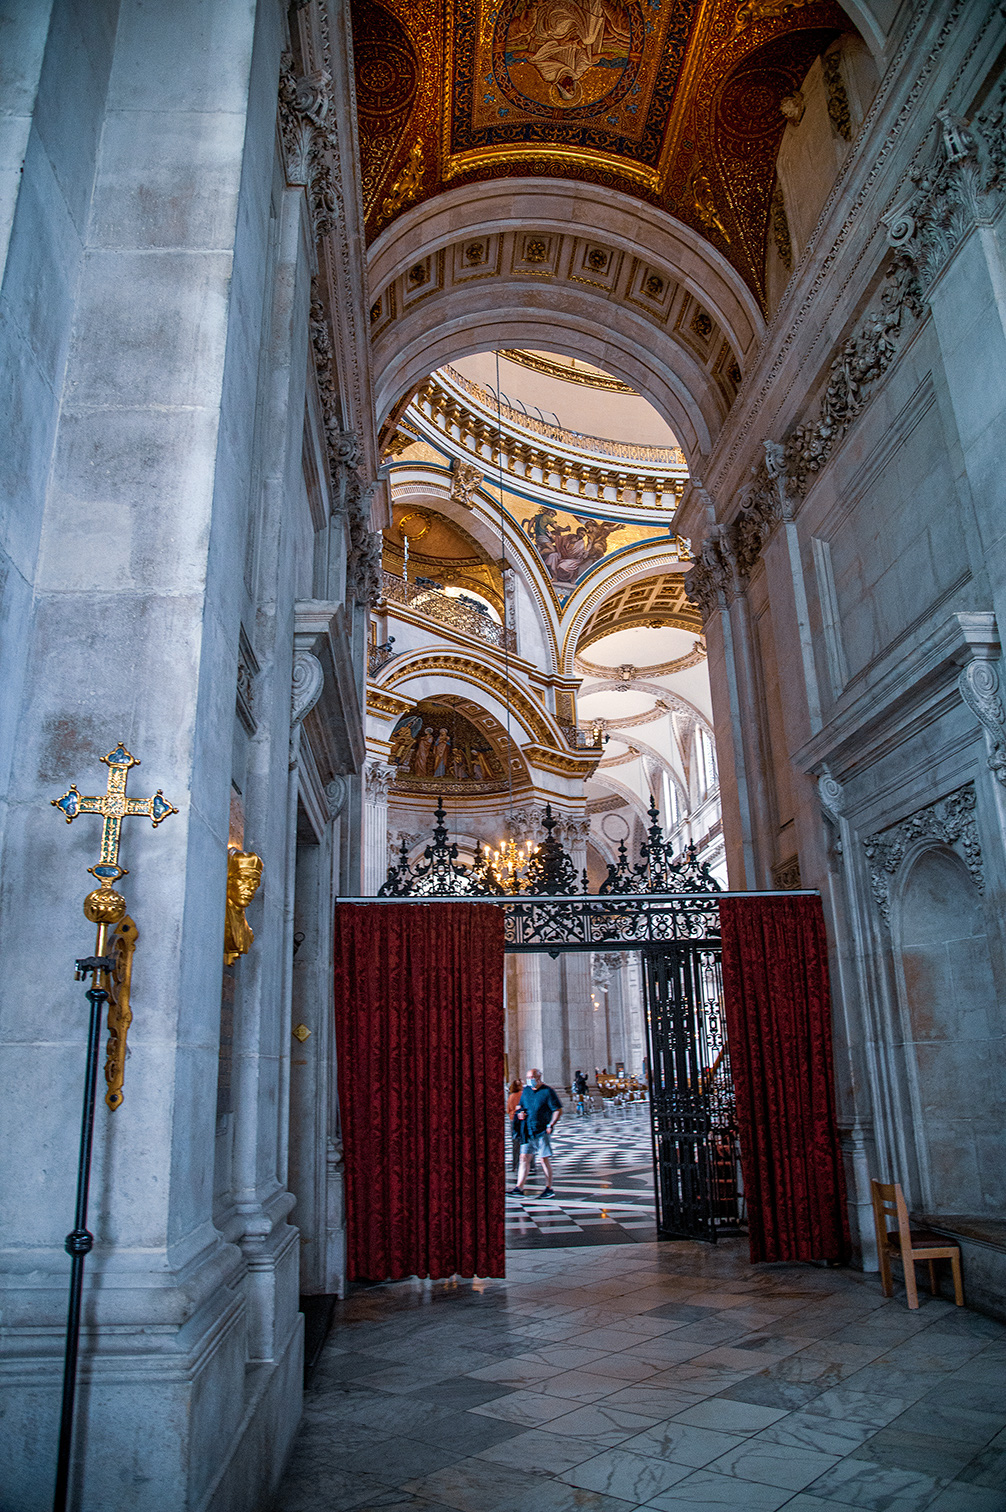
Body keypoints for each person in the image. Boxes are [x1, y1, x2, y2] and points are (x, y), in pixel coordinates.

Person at [508, 1068, 562, 1199]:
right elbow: (520, 1107)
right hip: (528, 1130)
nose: (529, 1080)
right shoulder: (526, 1091)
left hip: (542, 1130)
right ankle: (519, 1187)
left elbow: (557, 1109)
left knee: (544, 1159)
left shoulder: (548, 1091)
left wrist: (551, 1124)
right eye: (527, 1077)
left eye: (531, 1077)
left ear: (538, 1078)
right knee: (523, 1158)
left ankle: (549, 1188)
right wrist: (519, 1114)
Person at [506, 1078, 523, 1174]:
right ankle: (531, 1165)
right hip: (523, 1119)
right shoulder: (523, 1095)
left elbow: (508, 1110)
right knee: (527, 1142)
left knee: (515, 1143)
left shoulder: (511, 1097)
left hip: (513, 1120)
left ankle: (515, 1165)